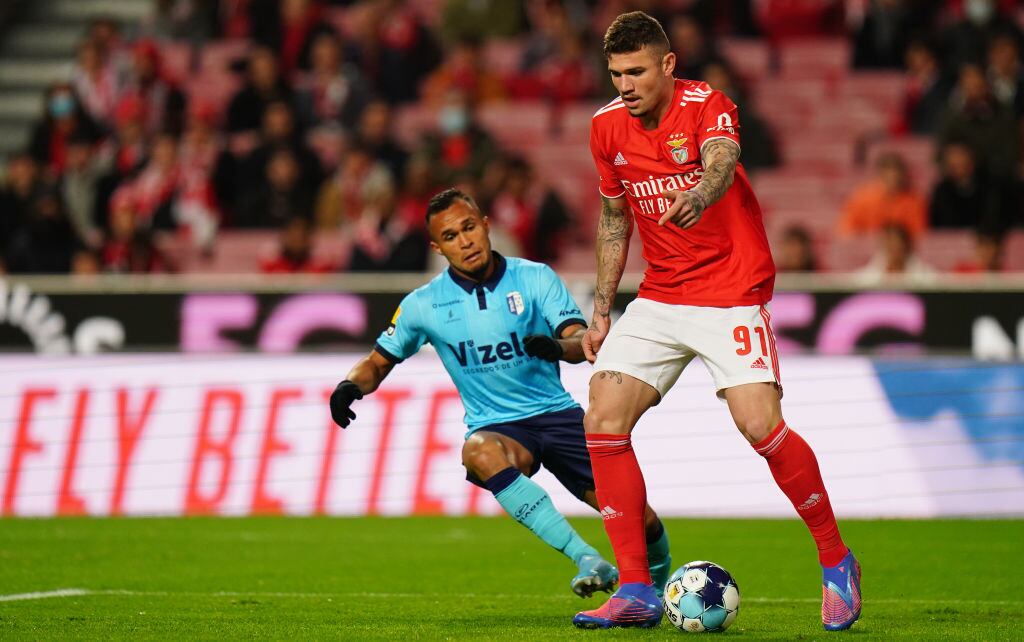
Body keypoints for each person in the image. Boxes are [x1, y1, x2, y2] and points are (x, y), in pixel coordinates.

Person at [575, 12, 859, 631]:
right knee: (601, 416)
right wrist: (600, 309)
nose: (625, 85)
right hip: (661, 293)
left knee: (759, 424)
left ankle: (836, 559)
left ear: (667, 66)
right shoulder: (604, 128)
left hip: (731, 287)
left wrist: (699, 196)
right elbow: (615, 220)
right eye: (616, 73)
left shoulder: (707, 104)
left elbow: (722, 160)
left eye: (637, 71)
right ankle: (635, 588)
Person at [328, 188, 673, 600]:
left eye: (469, 227)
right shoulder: (423, 305)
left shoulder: (534, 277)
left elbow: (579, 341)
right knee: (477, 450)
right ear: (438, 247)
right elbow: (377, 362)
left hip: (557, 415)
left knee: (641, 519)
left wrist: (556, 347)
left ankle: (656, 589)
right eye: (451, 236)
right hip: (499, 428)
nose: (465, 241)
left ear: (487, 226)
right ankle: (585, 557)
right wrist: (349, 385)